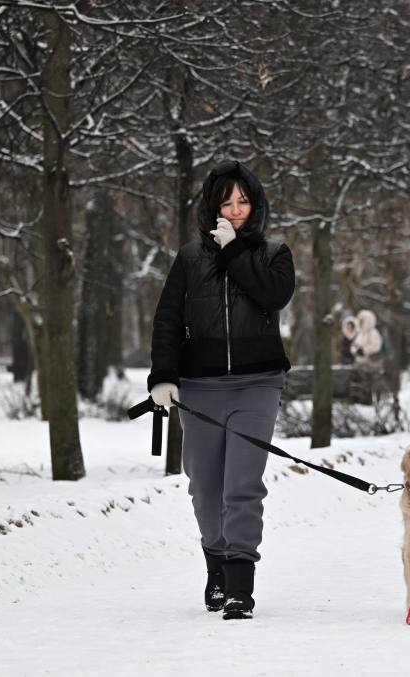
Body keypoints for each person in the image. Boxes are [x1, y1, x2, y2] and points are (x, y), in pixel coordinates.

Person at [147, 160, 295, 620]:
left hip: (258, 385)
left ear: (255, 204)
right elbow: (168, 318)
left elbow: (274, 295)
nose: (235, 210)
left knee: (242, 487)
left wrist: (234, 253)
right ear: (212, 207)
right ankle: (216, 566)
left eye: (243, 201)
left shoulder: (274, 253)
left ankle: (239, 587)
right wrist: (163, 376)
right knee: (206, 490)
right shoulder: (191, 257)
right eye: (226, 202)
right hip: (201, 388)